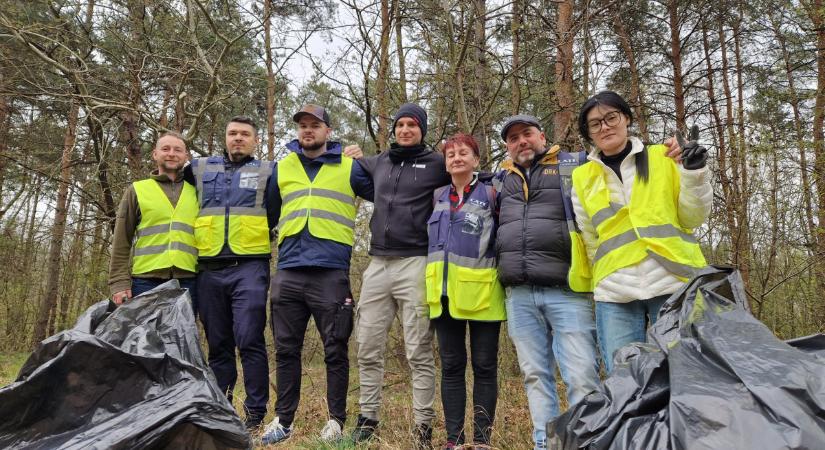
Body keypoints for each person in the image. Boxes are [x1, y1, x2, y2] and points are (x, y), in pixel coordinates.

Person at [570, 90, 711, 373]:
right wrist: (601, 283)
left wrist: (694, 173)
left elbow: (693, 216)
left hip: (673, 282)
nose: (605, 126)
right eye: (595, 123)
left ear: (627, 119)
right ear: (589, 134)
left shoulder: (664, 156)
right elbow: (589, 238)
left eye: (611, 117)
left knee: (688, 373)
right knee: (625, 381)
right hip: (616, 293)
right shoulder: (582, 177)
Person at [259, 105, 374, 444]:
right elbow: (268, 215)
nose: (308, 130)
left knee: (335, 349)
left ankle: (336, 420)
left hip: (331, 272)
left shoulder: (350, 166)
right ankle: (283, 420)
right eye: (302, 126)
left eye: (315, 125)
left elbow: (386, 193)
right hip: (290, 271)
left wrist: (365, 160)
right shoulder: (283, 168)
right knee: (285, 349)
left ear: (328, 131)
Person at [496, 114, 602, 450]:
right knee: (535, 376)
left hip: (567, 291)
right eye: (513, 138)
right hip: (519, 294)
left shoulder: (575, 165)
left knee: (582, 375)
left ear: (542, 136)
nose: (521, 142)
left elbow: (616, 163)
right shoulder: (501, 179)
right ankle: (545, 444)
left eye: (526, 134)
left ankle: (586, 442)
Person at [351, 103, 451, 449]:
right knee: (366, 345)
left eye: (412, 124)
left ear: (422, 129)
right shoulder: (379, 161)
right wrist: (351, 153)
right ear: (393, 129)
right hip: (377, 264)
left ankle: (423, 425)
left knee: (418, 350)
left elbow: (465, 173)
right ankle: (368, 418)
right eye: (400, 124)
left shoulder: (437, 164)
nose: (405, 130)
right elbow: (354, 169)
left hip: (416, 263)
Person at [186, 116, 275, 430]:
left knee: (250, 338)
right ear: (225, 137)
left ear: (255, 140)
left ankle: (254, 413)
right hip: (208, 270)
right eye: (233, 133)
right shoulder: (197, 169)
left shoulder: (269, 171)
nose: (238, 138)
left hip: (249, 267)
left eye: (245, 134)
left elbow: (276, 210)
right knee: (218, 344)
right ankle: (221, 408)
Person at [425, 133, 505, 449]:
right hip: (443, 297)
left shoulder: (492, 192)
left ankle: (482, 440)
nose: (456, 158)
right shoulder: (437, 195)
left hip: (483, 295)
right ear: (445, 164)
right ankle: (454, 441)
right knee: (452, 368)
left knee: (485, 367)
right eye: (451, 155)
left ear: (476, 160)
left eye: (463, 153)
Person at [108, 132, 198, 308]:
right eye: (165, 149)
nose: (171, 153)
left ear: (186, 156)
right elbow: (121, 240)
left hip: (188, 283)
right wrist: (119, 283)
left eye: (178, 150)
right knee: (143, 335)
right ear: (155, 154)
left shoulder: (198, 192)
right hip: (145, 282)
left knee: (181, 336)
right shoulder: (137, 190)